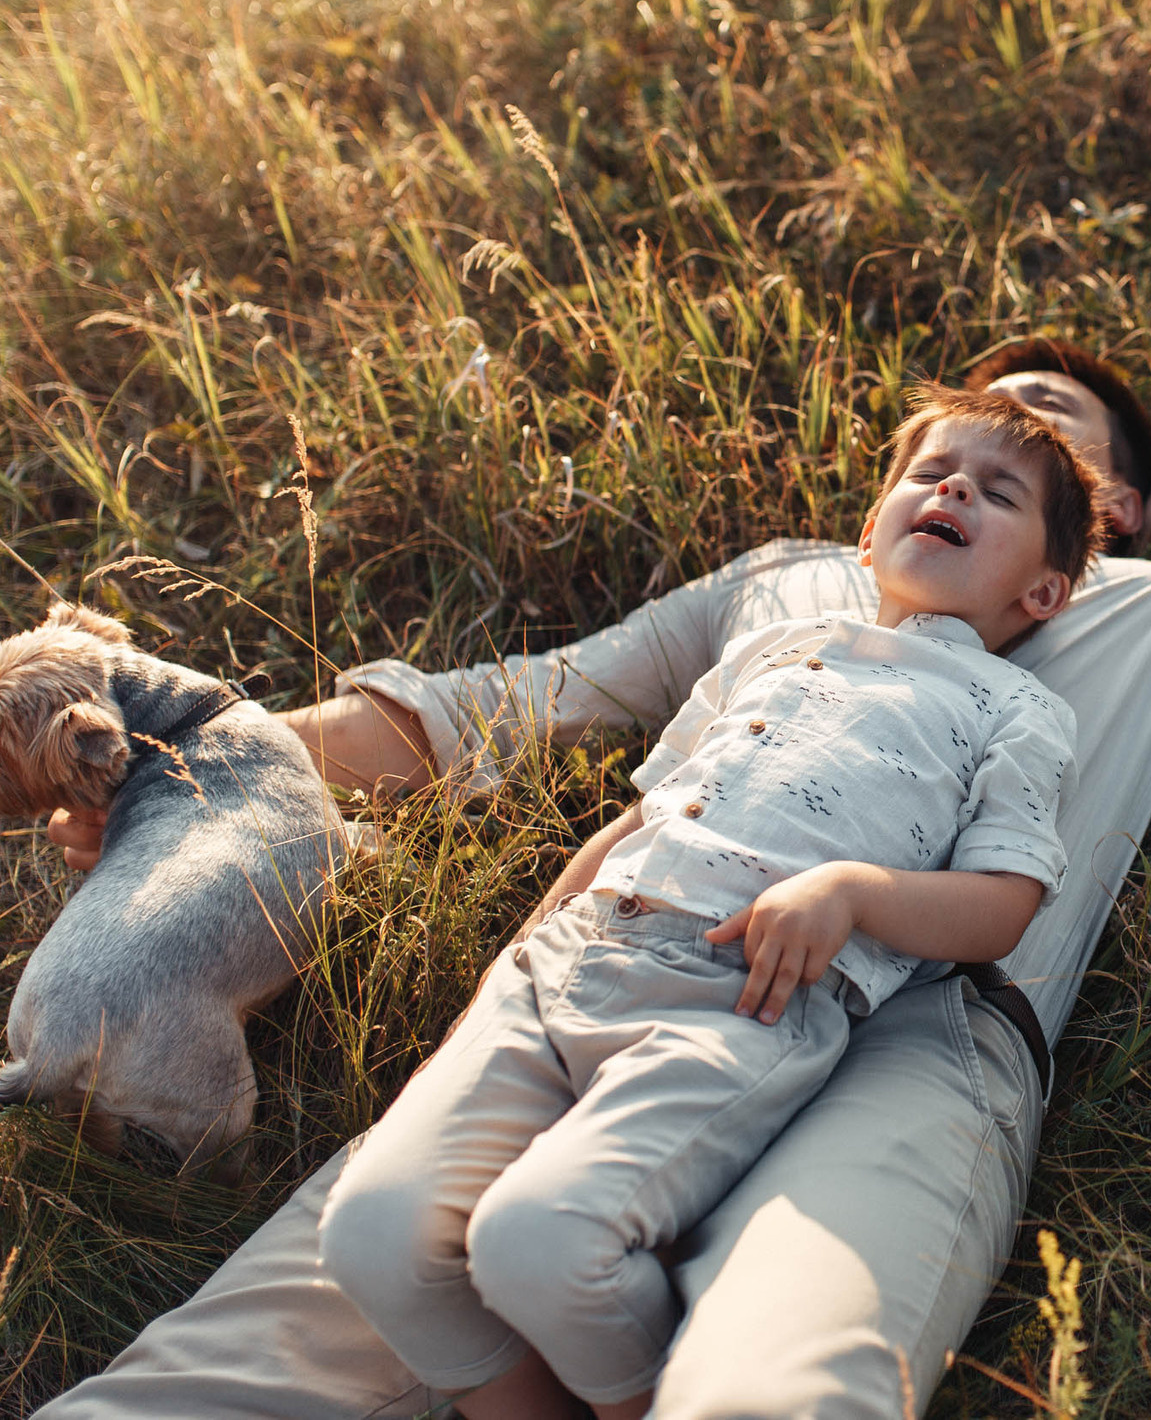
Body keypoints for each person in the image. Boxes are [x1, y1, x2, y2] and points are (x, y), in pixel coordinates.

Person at [36, 339, 1151, 1420]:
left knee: (776, 1381)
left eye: (1042, 427)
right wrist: (193, 776)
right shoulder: (784, 582)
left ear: (1093, 505)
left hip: (923, 1030)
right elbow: (500, 703)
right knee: (322, 1295)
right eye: (956, 430)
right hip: (629, 962)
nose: (990, 442)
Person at [315, 388, 1100, 1419]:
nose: (952, 486)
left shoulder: (1015, 709)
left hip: (741, 998)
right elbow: (640, 821)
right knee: (370, 1233)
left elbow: (1003, 903)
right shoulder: (769, 650)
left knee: (537, 1240)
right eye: (928, 473)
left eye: (996, 492)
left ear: (1043, 594)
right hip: (569, 962)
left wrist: (850, 893)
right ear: (869, 535)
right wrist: (515, 958)